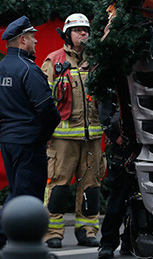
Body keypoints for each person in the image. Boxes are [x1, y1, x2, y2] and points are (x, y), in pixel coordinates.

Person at [0, 16, 61, 255]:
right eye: (33, 37)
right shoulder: (29, 69)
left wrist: (12, 117)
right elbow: (48, 109)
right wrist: (45, 133)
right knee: (26, 196)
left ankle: (4, 242)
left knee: (18, 190)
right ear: (23, 40)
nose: (36, 41)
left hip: (8, 140)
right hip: (29, 141)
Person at [41, 13, 104, 248]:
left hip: (92, 138)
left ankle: (87, 230)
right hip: (61, 139)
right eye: (78, 30)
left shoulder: (96, 60)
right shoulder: (53, 61)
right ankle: (53, 233)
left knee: (92, 186)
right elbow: (42, 101)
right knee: (57, 186)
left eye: (86, 30)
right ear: (67, 35)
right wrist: (44, 132)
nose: (83, 34)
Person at [97, 85, 141, 259]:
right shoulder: (114, 80)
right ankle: (108, 243)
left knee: (140, 199)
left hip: (143, 141)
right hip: (123, 146)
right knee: (118, 199)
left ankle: (130, 241)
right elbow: (105, 111)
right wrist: (114, 134)